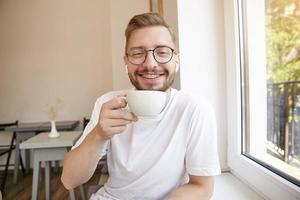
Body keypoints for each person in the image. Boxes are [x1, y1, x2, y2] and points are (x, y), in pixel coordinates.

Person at [61, 12, 221, 200]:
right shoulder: (108, 104)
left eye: (162, 52)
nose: (151, 64)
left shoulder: (194, 108)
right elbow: (69, 180)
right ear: (126, 62)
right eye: (138, 53)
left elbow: (202, 187)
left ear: (176, 60)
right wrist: (99, 135)